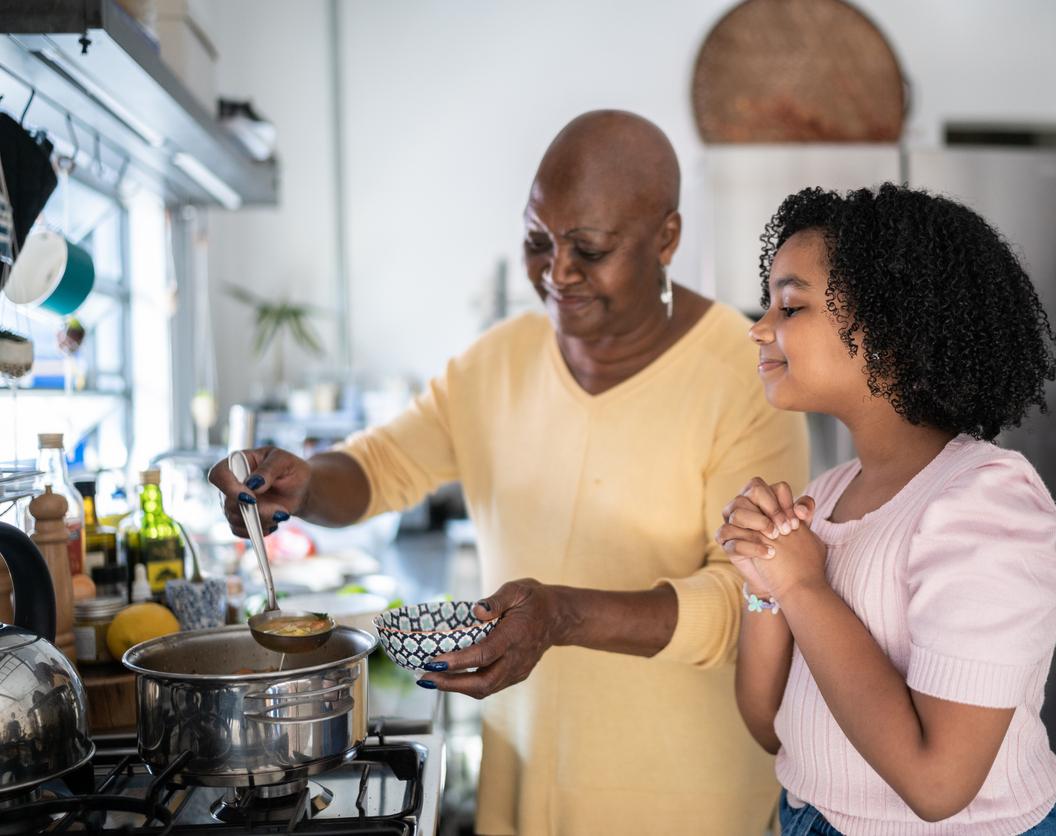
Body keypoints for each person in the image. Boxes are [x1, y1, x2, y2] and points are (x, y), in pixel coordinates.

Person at [210, 110, 809, 835]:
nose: (556, 273)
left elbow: (747, 601)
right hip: (522, 785)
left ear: (667, 239)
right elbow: (382, 465)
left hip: (684, 801)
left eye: (588, 248)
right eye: (537, 241)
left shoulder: (746, 378)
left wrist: (562, 616)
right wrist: (305, 484)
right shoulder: (496, 361)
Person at [716, 184, 1056, 835]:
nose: (760, 327)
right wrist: (765, 587)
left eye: (791, 305)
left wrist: (801, 583)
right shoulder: (826, 495)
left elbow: (937, 784)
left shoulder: (988, 502)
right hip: (810, 817)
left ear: (889, 324)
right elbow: (771, 727)